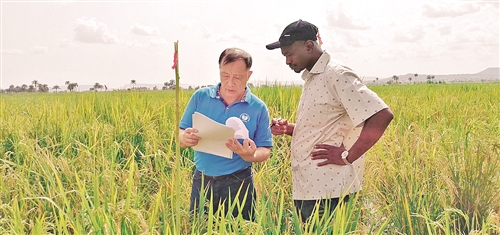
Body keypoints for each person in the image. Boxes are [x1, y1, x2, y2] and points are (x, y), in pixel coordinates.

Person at [266, 19, 394, 223]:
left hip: (329, 192)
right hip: (308, 188)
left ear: (309, 46)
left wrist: (347, 156)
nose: (287, 61)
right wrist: (289, 129)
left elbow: (381, 115)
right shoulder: (313, 78)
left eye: (289, 54)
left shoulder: (336, 74)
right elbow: (323, 126)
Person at [179, 47, 273, 221]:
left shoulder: (258, 108)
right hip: (202, 179)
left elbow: (265, 149)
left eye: (237, 77)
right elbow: (180, 132)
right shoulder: (200, 97)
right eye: (225, 75)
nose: (230, 82)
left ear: (248, 75)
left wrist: (251, 155)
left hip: (238, 181)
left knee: (240, 229)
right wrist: (184, 138)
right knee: (199, 227)